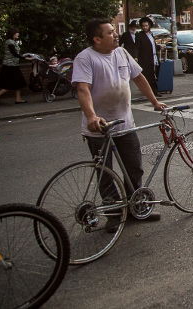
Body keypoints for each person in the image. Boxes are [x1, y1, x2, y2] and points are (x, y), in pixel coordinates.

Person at [72, 19, 167, 230]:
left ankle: (137, 207)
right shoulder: (85, 58)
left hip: (125, 124)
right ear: (97, 39)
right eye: (110, 32)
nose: (116, 35)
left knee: (134, 168)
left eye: (115, 31)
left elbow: (139, 77)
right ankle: (114, 215)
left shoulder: (121, 53)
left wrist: (154, 101)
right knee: (105, 173)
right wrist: (91, 117)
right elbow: (83, 89)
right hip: (100, 128)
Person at [0, 28, 27, 104]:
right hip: (9, 66)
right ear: (13, 33)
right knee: (9, 83)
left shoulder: (13, 42)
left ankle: (18, 99)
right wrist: (25, 58)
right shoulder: (9, 42)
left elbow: (16, 53)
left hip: (14, 65)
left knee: (19, 82)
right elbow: (14, 53)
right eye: (17, 32)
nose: (18, 34)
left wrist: (24, 55)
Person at [135, 16, 159, 93]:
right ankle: (152, 92)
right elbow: (137, 47)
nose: (145, 27)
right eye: (143, 26)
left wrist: (159, 47)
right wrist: (136, 57)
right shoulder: (139, 35)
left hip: (154, 57)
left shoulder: (151, 34)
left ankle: (154, 91)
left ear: (149, 26)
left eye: (146, 25)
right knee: (149, 75)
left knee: (154, 74)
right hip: (145, 59)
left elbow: (152, 45)